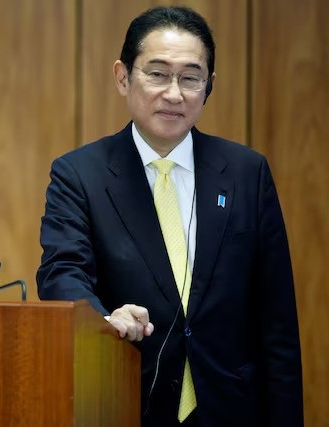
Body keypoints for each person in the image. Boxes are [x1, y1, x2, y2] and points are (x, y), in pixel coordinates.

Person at [37, 6, 302, 427]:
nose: (174, 93)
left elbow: (278, 322)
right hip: (126, 402)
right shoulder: (79, 174)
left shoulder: (246, 172)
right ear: (123, 76)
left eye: (190, 77)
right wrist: (103, 319)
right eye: (157, 74)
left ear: (209, 85)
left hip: (232, 408)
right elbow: (61, 273)